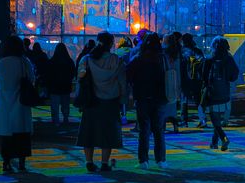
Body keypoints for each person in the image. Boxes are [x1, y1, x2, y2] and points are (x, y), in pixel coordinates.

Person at [77, 32, 126, 172]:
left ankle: (89, 162)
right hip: (111, 101)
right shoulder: (117, 60)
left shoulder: (86, 59)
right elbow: (123, 82)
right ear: (111, 44)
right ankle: (105, 163)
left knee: (89, 132)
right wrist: (123, 99)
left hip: (91, 100)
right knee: (108, 133)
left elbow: (80, 78)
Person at [127, 33, 169, 169]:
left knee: (144, 129)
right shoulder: (162, 59)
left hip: (142, 97)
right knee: (159, 129)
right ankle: (161, 160)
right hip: (160, 98)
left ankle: (143, 160)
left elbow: (128, 76)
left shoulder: (137, 59)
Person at [0, 37, 35, 173]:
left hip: (5, 101)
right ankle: (22, 163)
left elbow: (0, 80)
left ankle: (6, 162)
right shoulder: (24, 62)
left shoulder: (2, 62)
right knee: (22, 135)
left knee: (7, 136)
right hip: (21, 101)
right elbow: (31, 79)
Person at [201, 37, 240, 150]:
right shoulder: (229, 59)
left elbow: (203, 77)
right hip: (225, 91)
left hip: (212, 92)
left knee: (214, 117)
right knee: (218, 118)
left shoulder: (209, 59)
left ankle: (224, 138)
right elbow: (234, 75)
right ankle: (214, 142)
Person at [44, 43, 77, 131]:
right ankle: (65, 119)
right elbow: (73, 73)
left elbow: (47, 74)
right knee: (65, 104)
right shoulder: (69, 61)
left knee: (55, 105)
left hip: (54, 87)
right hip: (65, 87)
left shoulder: (52, 61)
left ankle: (56, 121)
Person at [179, 32, 206, 128]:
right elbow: (203, 63)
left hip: (185, 79)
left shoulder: (181, 52)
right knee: (198, 100)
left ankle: (184, 121)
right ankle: (202, 120)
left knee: (184, 100)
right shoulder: (197, 51)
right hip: (196, 79)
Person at [161, 32, 184, 134]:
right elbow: (178, 68)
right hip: (174, 79)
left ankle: (163, 126)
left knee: (164, 105)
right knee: (173, 106)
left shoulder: (162, 52)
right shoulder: (177, 53)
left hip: (165, 79)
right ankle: (175, 126)